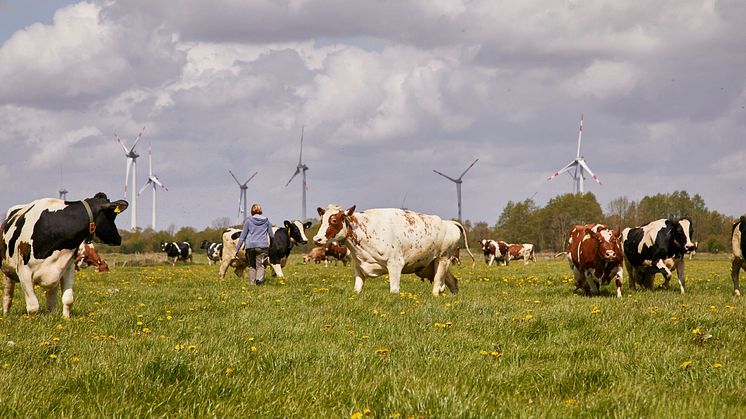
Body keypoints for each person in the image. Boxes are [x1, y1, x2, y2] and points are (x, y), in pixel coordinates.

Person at [234, 203, 274, 285]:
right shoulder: (266, 221)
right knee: (260, 265)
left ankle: (252, 284)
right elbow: (271, 235)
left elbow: (242, 236)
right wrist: (271, 245)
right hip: (262, 246)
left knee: (251, 266)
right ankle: (259, 279)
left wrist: (237, 249)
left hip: (250, 246)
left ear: (252, 211)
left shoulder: (248, 221)